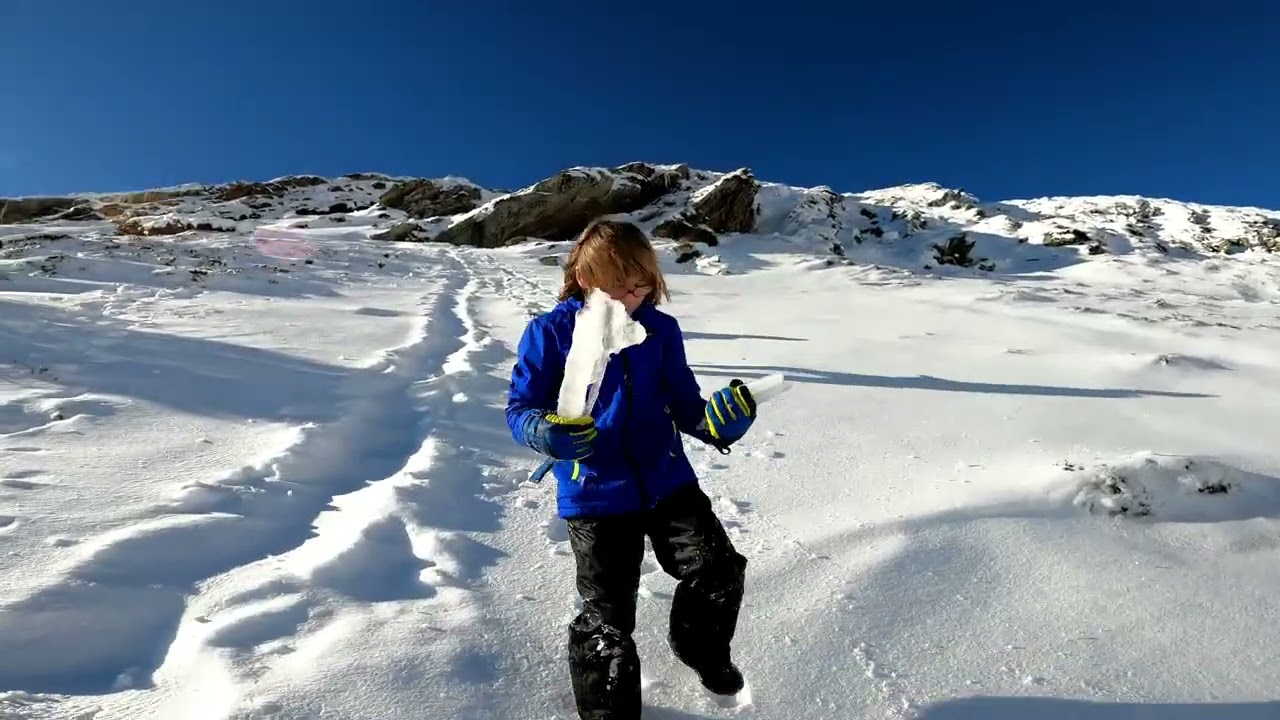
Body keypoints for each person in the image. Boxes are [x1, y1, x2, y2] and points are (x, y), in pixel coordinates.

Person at [505, 219, 759, 719]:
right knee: (608, 620)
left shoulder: (661, 331)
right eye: (620, 284)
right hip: (595, 491)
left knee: (719, 571)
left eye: (642, 283)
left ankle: (702, 650)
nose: (634, 294)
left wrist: (722, 424)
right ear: (584, 279)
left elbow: (688, 409)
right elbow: (520, 409)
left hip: (667, 480)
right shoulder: (550, 333)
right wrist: (544, 430)